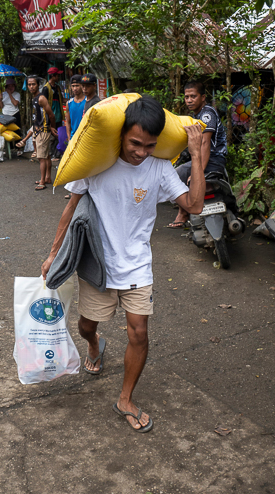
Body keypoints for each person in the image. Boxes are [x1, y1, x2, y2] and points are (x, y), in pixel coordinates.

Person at [41, 95, 205, 432]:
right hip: (99, 264)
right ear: (121, 135)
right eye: (135, 143)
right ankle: (93, 344)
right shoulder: (97, 162)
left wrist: (198, 158)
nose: (141, 151)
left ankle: (125, 398)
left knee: (140, 332)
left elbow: (195, 204)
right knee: (87, 325)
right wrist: (53, 252)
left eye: (149, 145)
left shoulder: (159, 167)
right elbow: (70, 208)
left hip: (137, 266)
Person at [169, 80, 227, 228]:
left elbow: (205, 143)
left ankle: (183, 213)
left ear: (203, 97)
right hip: (210, 158)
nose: (189, 100)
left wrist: (198, 172)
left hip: (213, 159)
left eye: (193, 96)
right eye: (187, 97)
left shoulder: (207, 113)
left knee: (178, 174)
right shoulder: (197, 115)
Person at [27, 75, 57, 190]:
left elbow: (51, 114)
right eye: (29, 84)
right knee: (46, 156)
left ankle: (42, 182)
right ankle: (47, 178)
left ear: (38, 85)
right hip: (38, 130)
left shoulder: (41, 98)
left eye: (33, 84)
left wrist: (52, 127)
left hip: (43, 131)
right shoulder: (34, 98)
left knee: (41, 158)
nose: (31, 87)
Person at [42, 67, 64, 159]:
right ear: (53, 76)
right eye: (57, 75)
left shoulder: (57, 87)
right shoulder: (46, 88)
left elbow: (61, 100)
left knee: (58, 136)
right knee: (51, 137)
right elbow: (44, 105)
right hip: (50, 116)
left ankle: (57, 154)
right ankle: (50, 155)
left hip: (58, 115)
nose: (58, 77)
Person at [66, 75, 86, 140]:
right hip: (73, 138)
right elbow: (68, 122)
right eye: (73, 86)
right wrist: (69, 138)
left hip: (85, 137)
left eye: (77, 85)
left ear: (82, 86)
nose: (75, 88)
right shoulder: (69, 103)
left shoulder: (87, 101)